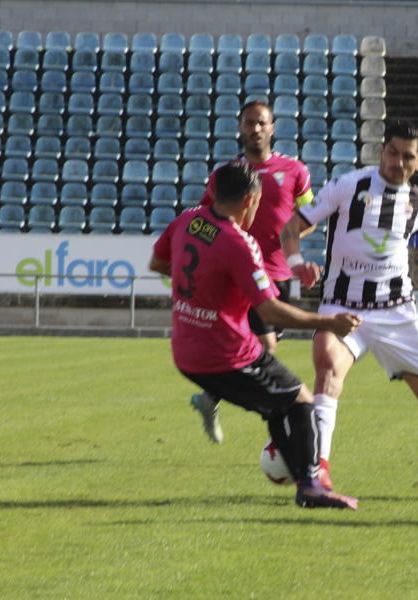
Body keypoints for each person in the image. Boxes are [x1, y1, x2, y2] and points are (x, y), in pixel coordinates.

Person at [279, 120, 418, 503]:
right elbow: (292, 227)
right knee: (327, 368)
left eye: (407, 156)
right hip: (343, 308)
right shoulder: (348, 186)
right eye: (392, 152)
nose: (397, 161)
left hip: (397, 313)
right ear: (381, 151)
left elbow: (417, 256)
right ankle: (319, 472)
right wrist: (297, 262)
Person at [149, 159, 361, 510]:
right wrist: (329, 323)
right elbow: (271, 311)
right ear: (250, 200)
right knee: (302, 400)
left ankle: (302, 478)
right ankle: (310, 486)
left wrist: (203, 287)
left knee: (278, 405)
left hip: (185, 353)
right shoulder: (239, 243)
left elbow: (158, 264)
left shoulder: (185, 220)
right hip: (227, 356)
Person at [190, 98, 315, 444]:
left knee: (254, 347)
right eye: (249, 123)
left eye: (262, 123)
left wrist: (290, 236)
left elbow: (310, 217)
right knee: (266, 346)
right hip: (235, 271)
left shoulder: (295, 171)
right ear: (240, 127)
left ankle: (212, 396)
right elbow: (205, 219)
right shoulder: (226, 175)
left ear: (272, 128)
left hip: (275, 272)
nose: (255, 129)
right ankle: (276, 413)